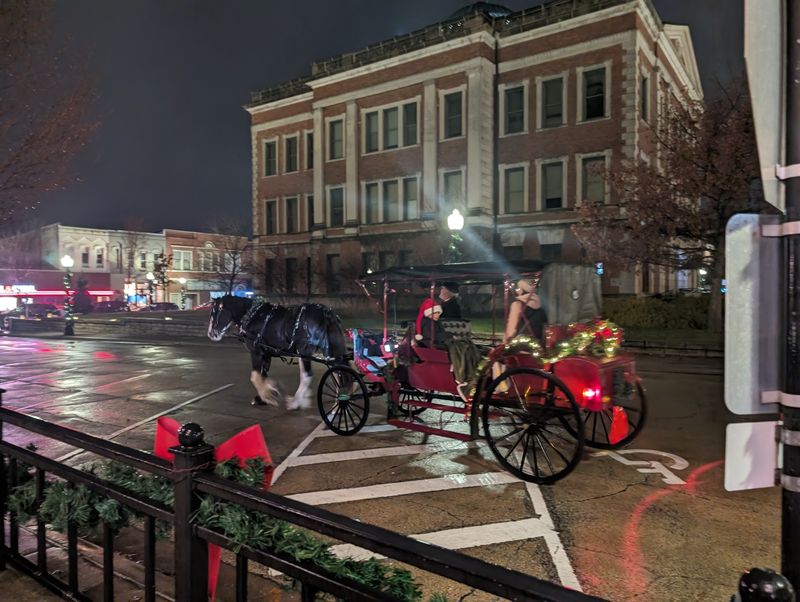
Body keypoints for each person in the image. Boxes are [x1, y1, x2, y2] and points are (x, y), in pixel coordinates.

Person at [504, 274, 547, 345]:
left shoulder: (517, 304)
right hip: (537, 342)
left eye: (518, 288)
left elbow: (511, 327)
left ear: (521, 290)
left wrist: (507, 342)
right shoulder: (541, 304)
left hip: (521, 343)